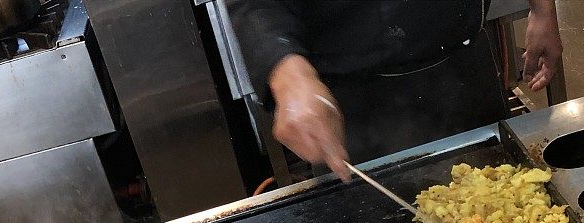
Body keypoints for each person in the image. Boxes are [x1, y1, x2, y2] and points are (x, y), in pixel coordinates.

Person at [228, 0, 563, 181]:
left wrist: (543, 8)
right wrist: (289, 75)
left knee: (511, 215)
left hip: (463, 68)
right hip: (351, 101)